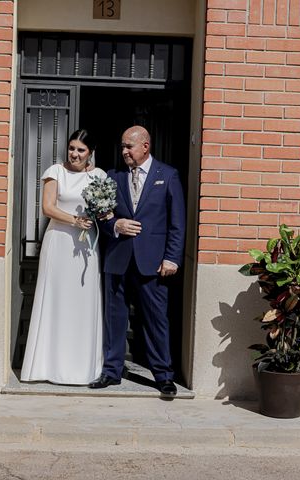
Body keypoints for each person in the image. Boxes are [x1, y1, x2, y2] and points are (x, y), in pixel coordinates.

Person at [89, 126, 185, 397]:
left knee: (155, 319)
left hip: (153, 263)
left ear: (145, 146)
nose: (124, 152)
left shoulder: (167, 175)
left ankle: (164, 376)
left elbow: (177, 222)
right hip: (118, 258)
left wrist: (172, 258)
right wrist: (115, 224)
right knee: (115, 319)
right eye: (122, 147)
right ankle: (111, 371)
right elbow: (101, 216)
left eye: (129, 147)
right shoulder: (112, 176)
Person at [21, 129, 105, 385]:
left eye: (80, 149)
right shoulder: (54, 171)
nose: (75, 154)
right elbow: (47, 207)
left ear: (89, 152)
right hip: (59, 242)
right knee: (57, 299)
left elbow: (104, 210)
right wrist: (74, 220)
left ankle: (82, 368)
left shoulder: (99, 175)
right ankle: (47, 366)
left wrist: (99, 215)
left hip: (86, 247)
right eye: (71, 148)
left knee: (82, 302)